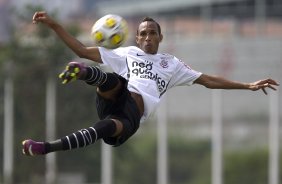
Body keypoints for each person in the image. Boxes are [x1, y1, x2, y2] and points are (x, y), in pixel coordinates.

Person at [22, 11, 279, 156]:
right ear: (136, 37)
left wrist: (247, 85)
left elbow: (208, 80)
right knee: (114, 81)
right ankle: (84, 73)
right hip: (115, 95)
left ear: (160, 37)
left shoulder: (173, 64)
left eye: (152, 33)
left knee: (104, 127)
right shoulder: (126, 53)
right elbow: (80, 48)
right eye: (143, 33)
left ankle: (45, 147)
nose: (147, 37)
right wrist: (54, 24)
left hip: (131, 116)